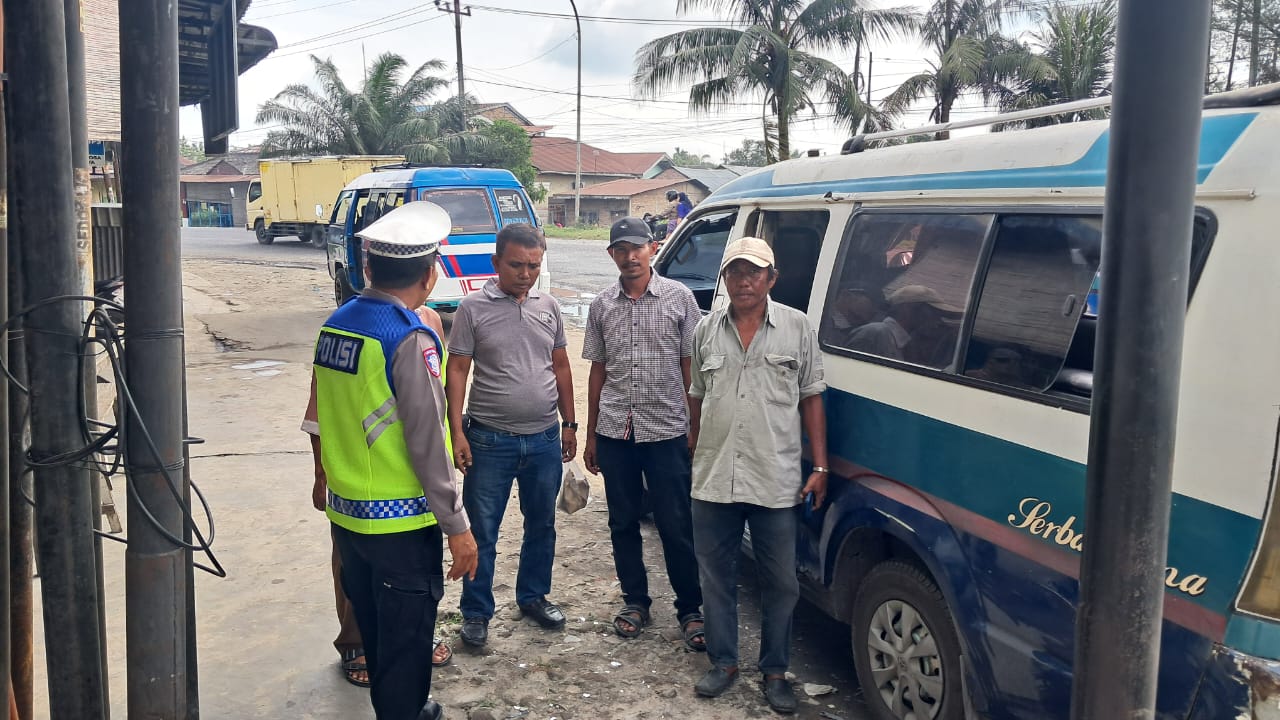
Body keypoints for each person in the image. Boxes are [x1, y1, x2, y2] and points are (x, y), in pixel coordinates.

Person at [311, 201, 478, 720]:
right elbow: (429, 442)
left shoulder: (337, 326)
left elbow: (320, 417)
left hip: (348, 518)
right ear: (430, 276)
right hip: (399, 524)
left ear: (367, 266)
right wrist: (458, 527)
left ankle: (401, 709)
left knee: (378, 630)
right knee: (407, 644)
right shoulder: (409, 336)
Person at [687, 237, 829, 714]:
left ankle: (774, 671)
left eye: (754, 272)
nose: (743, 280)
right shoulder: (706, 330)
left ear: (771, 278)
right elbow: (697, 395)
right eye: (735, 272)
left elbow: (812, 396)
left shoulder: (797, 327)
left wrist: (821, 466)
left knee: (781, 583)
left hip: (775, 477)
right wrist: (694, 448)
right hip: (714, 477)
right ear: (725, 278)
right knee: (715, 578)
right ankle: (724, 662)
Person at [304, 310, 457, 688]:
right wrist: (320, 473)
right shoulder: (350, 327)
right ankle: (356, 643)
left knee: (413, 582)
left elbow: (436, 406)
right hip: (365, 488)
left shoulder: (429, 323)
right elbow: (319, 409)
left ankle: (416, 636)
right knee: (359, 575)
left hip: (412, 493)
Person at [446, 223, 577, 648]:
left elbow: (560, 367)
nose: (525, 273)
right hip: (488, 440)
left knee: (542, 524)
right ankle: (477, 613)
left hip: (543, 439)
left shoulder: (549, 306)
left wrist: (570, 424)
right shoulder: (472, 308)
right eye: (517, 265)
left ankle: (534, 597)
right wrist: (455, 431)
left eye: (534, 266)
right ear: (496, 263)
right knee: (483, 529)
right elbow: (459, 370)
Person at [581, 216, 706, 650]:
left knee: (676, 523)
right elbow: (598, 370)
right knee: (623, 521)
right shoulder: (601, 305)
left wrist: (695, 425)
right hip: (618, 430)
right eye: (621, 249)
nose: (630, 256)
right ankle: (635, 601)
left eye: (638, 248)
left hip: (668, 429)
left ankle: (690, 609)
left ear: (653, 248)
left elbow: (690, 365)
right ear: (612, 254)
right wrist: (592, 432)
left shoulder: (680, 299)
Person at [846, 284, 960, 367]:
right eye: (933, 312)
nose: (937, 321)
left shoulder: (903, 345)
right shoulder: (875, 333)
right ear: (908, 309)